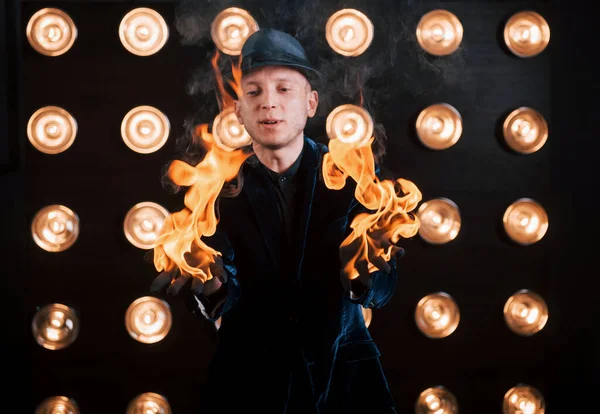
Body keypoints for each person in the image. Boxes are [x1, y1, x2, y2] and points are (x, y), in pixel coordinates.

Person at [150, 28, 410, 414]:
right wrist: (212, 287)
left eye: (284, 89)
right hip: (248, 386)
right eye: (253, 92)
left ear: (311, 103)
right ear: (238, 111)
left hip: (346, 385)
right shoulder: (214, 191)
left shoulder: (355, 179)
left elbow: (380, 290)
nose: (268, 103)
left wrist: (367, 278)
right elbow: (223, 289)